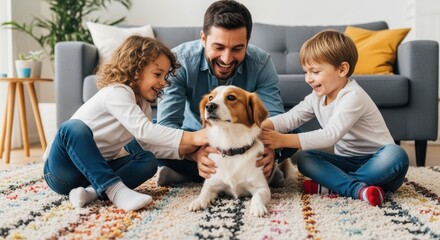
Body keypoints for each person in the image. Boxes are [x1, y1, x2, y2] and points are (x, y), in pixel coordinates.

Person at [43, 35, 208, 211]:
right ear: (136, 69)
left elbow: (149, 145)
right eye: (158, 74)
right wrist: (193, 137)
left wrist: (186, 153)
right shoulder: (116, 91)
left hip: (91, 175)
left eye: (165, 76)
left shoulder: (143, 105)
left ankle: (90, 192)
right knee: (72, 127)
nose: (163, 82)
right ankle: (115, 190)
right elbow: (145, 130)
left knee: (147, 160)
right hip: (61, 172)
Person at [155, 0, 297, 186]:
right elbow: (167, 126)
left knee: (293, 131)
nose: (226, 59)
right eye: (219, 47)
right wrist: (194, 155)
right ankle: (254, 175)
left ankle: (189, 174)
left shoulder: (261, 62)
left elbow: (275, 118)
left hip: (246, 144)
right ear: (203, 39)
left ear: (247, 43)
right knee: (153, 140)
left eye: (237, 48)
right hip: (195, 137)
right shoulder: (178, 61)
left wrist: (270, 150)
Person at [260, 30, 409, 207]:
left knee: (397, 154)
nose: (308, 79)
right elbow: (291, 118)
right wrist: (260, 126)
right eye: (305, 72)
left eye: (315, 71)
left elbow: (330, 135)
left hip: (379, 165)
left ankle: (340, 186)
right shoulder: (316, 96)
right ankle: (358, 189)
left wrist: (283, 139)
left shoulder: (353, 96)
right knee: (306, 158)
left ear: (342, 69)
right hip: (346, 163)